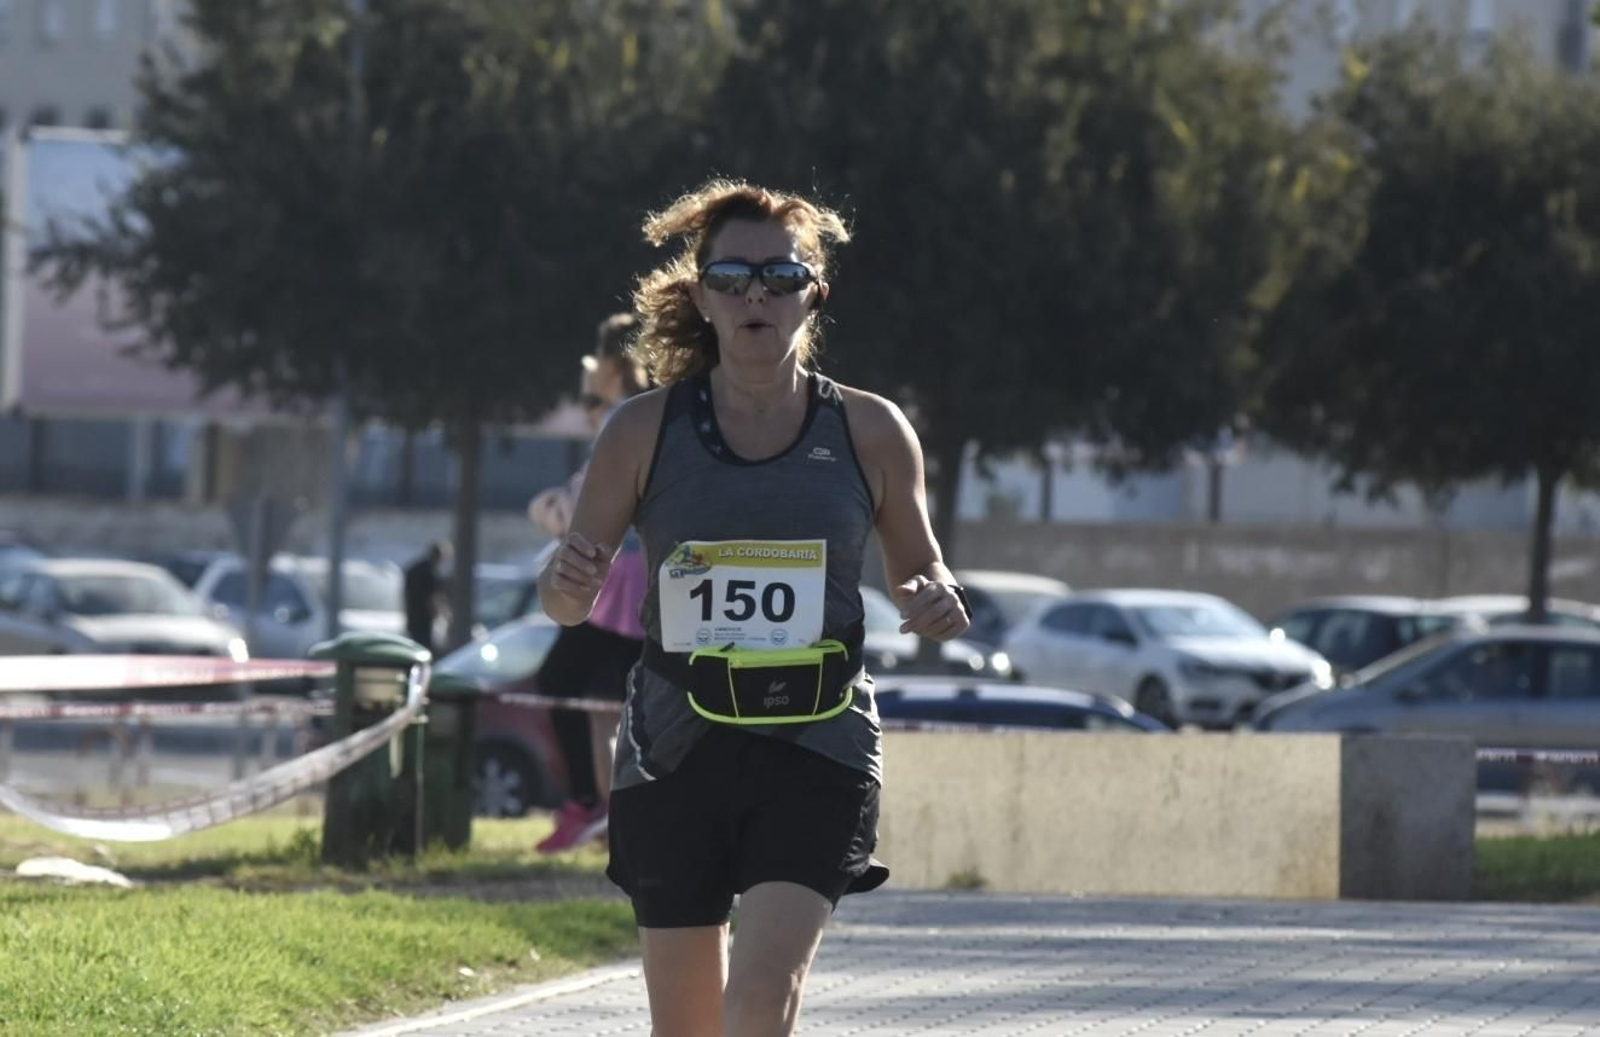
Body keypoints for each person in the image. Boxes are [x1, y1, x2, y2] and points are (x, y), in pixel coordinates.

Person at [538, 179, 971, 1037]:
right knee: (687, 1027)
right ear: (702, 296)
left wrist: (936, 600)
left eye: (780, 276)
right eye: (732, 278)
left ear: (816, 292)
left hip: (817, 742)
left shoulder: (872, 431)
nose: (755, 296)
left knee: (759, 1000)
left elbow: (923, 572)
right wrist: (568, 580)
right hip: (674, 745)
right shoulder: (642, 430)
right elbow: (564, 600)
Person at [527, 314, 650, 853]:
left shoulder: (627, 416)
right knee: (608, 703)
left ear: (611, 362)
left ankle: (591, 804)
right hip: (626, 579)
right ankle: (604, 812)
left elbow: (595, 498)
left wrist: (557, 511)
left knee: (569, 681)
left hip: (620, 580)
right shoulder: (636, 411)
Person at [402, 540, 450, 655]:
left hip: (412, 614)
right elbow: (434, 596)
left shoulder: (416, 568)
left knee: (415, 646)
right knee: (424, 647)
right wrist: (443, 613)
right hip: (423, 617)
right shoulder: (430, 571)